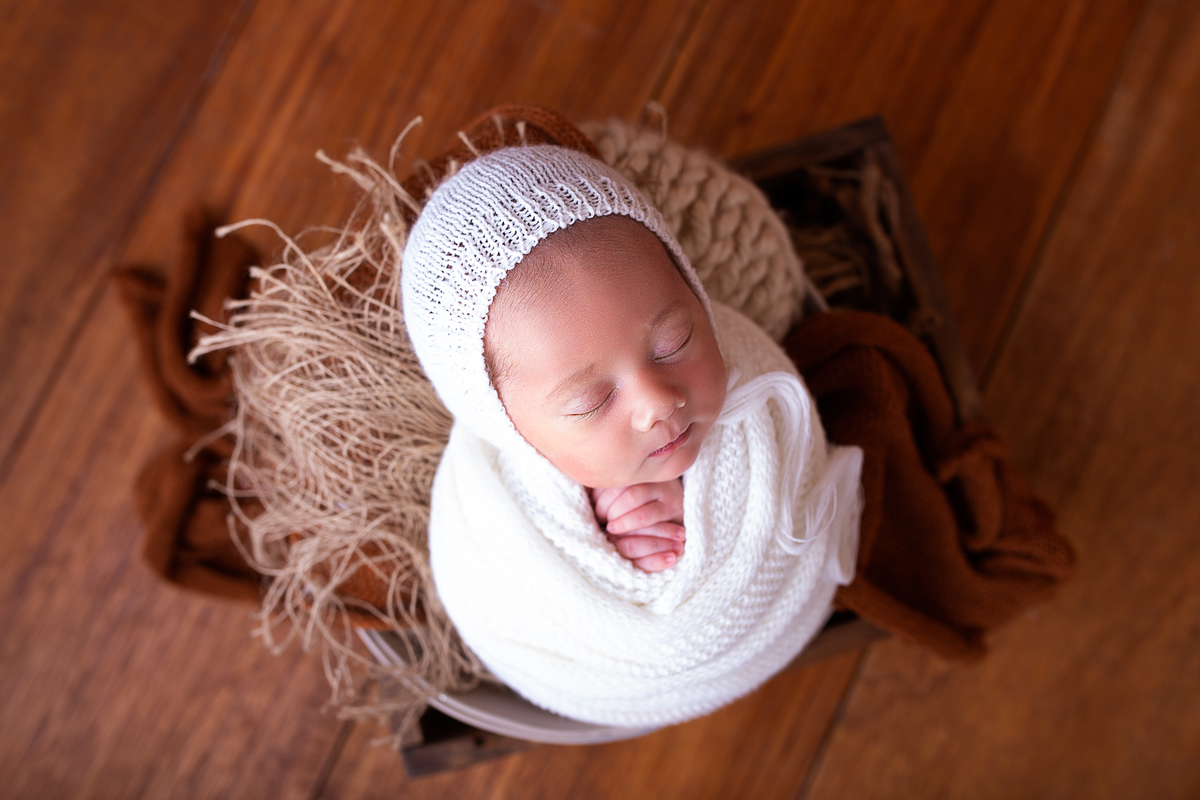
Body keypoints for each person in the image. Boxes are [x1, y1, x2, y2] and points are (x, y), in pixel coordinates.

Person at [401, 144, 863, 728]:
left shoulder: (756, 381)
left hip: (773, 624)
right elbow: (514, 611)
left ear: (694, 290)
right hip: (624, 686)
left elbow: (795, 479)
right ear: (513, 432)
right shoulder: (490, 521)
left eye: (674, 342)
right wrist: (616, 553)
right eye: (592, 402)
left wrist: (691, 500)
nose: (658, 403)